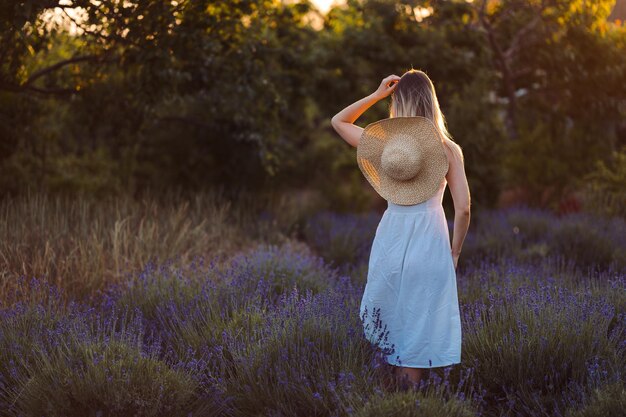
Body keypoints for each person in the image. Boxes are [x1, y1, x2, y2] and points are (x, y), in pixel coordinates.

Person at [330, 69, 471, 390]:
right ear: (432, 101)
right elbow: (463, 208)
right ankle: (407, 404)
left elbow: (339, 122)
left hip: (390, 244)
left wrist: (377, 94)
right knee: (417, 331)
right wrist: (455, 252)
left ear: (399, 102)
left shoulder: (388, 146)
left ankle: (384, 401)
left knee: (387, 327)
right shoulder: (448, 150)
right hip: (431, 245)